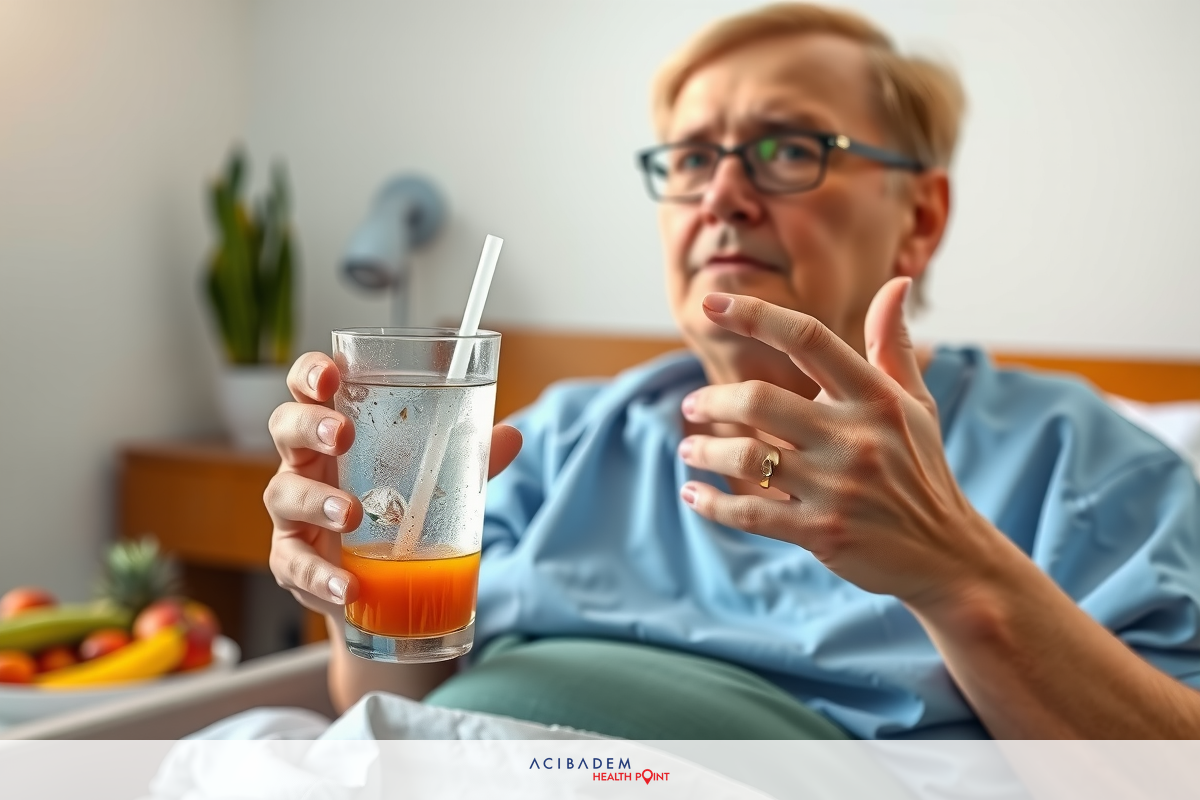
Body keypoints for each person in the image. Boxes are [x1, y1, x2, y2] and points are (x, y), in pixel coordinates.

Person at [264, 3, 1200, 739]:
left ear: (920, 214)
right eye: (692, 157)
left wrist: (958, 575)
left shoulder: (1081, 469)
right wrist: (356, 584)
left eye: (788, 149)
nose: (721, 194)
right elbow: (383, 706)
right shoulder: (554, 441)